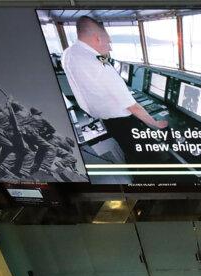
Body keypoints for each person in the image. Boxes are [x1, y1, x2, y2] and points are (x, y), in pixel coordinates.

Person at [61, 16, 168, 167]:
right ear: (97, 38)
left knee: (130, 151)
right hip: (123, 122)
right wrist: (155, 124)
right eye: (108, 42)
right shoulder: (99, 64)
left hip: (105, 119)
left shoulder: (68, 53)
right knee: (149, 157)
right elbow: (132, 106)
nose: (110, 47)